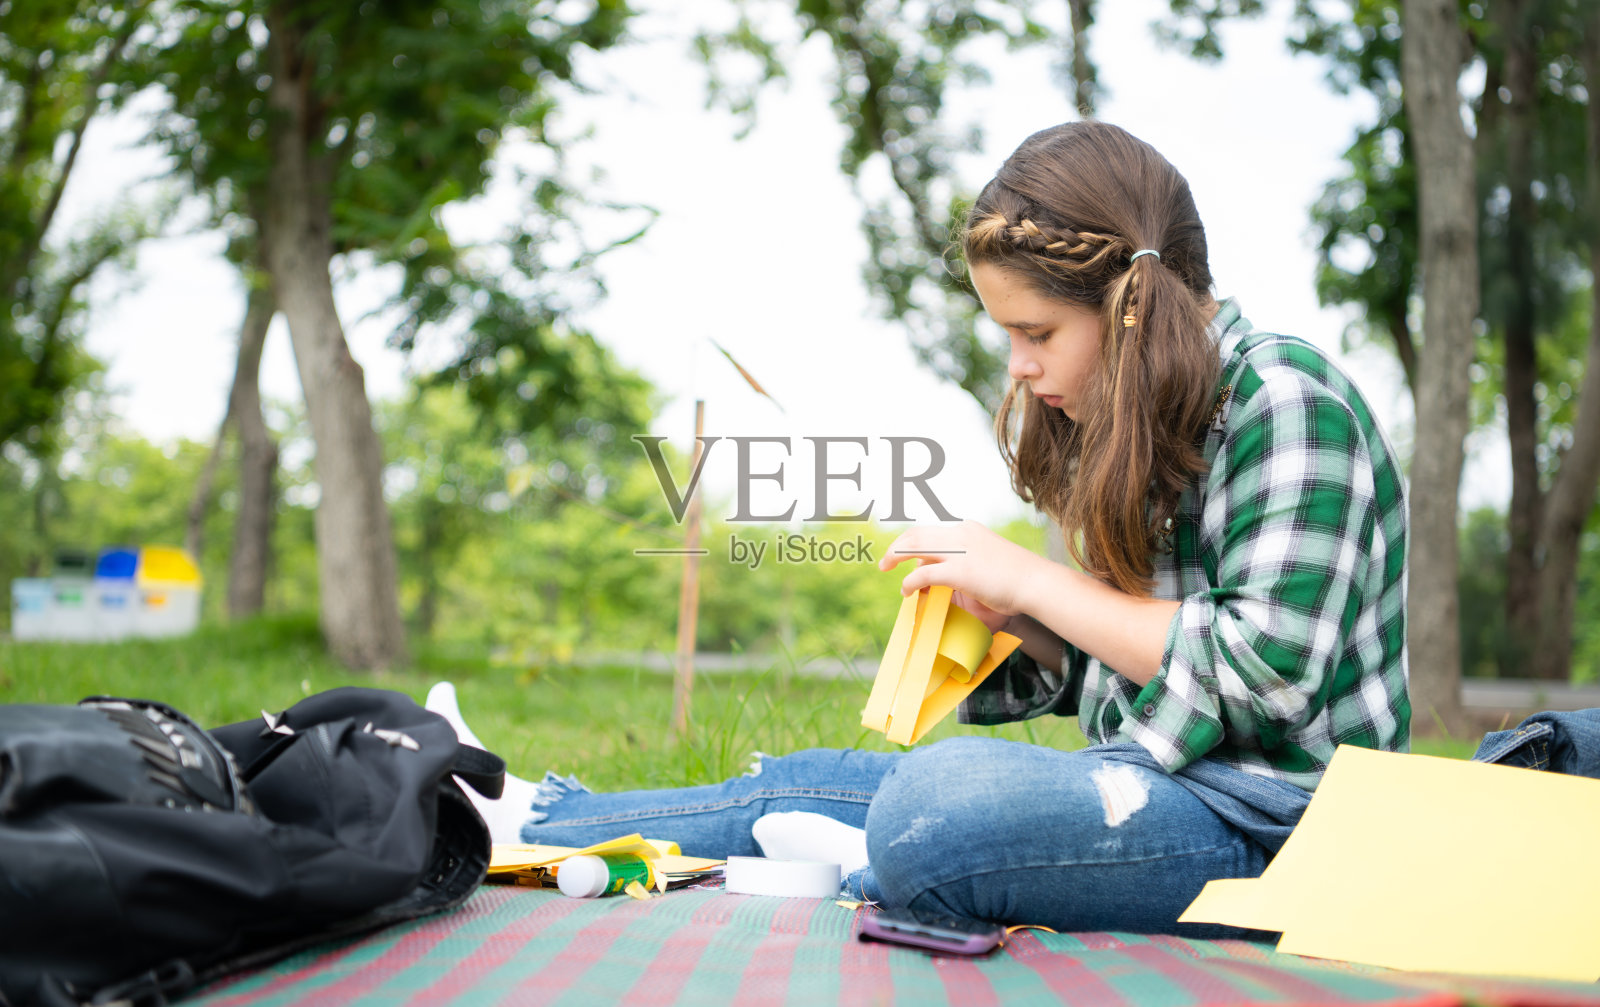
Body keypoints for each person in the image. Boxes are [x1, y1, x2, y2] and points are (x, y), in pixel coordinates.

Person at [442, 121, 1409, 937]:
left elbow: (1262, 678)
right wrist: (1015, 620)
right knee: (823, 779)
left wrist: (1041, 584)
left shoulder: (1288, 400)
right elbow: (1139, 670)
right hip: (1155, 784)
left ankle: (885, 855)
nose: (1021, 367)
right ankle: (526, 815)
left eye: (1037, 334)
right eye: (1008, 339)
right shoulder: (1151, 419)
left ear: (1129, 311)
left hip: (1283, 830)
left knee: (934, 806)